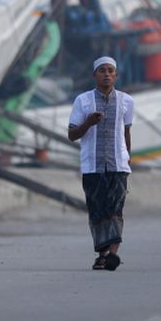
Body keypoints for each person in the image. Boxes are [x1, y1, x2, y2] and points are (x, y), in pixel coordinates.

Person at [67, 56, 133, 271]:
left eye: (110, 70)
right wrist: (89, 122)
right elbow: (72, 134)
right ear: (94, 74)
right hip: (92, 165)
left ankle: (112, 255)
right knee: (97, 211)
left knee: (115, 209)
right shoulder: (83, 101)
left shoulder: (126, 101)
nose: (106, 74)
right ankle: (102, 254)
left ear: (116, 75)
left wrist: (127, 159)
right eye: (102, 70)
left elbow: (126, 133)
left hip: (118, 165)